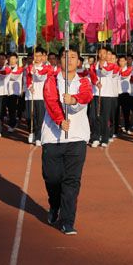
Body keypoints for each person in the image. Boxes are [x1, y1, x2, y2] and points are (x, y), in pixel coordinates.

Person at [41, 47, 93, 235]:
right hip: (53, 138)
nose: (69, 60)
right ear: (59, 60)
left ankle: (67, 221)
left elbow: (86, 96)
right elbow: (51, 100)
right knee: (52, 178)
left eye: (73, 57)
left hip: (77, 137)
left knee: (71, 181)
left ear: (79, 62)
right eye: (65, 56)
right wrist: (59, 120)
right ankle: (54, 205)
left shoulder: (84, 82)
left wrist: (73, 100)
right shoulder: (51, 80)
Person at [26, 46, 51, 146]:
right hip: (30, 95)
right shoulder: (29, 67)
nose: (37, 58)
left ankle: (38, 137)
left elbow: (41, 77)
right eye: (35, 56)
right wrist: (30, 86)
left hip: (40, 96)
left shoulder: (46, 68)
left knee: (40, 117)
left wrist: (36, 72)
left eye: (39, 56)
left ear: (42, 57)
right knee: (29, 116)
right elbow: (28, 79)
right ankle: (31, 132)